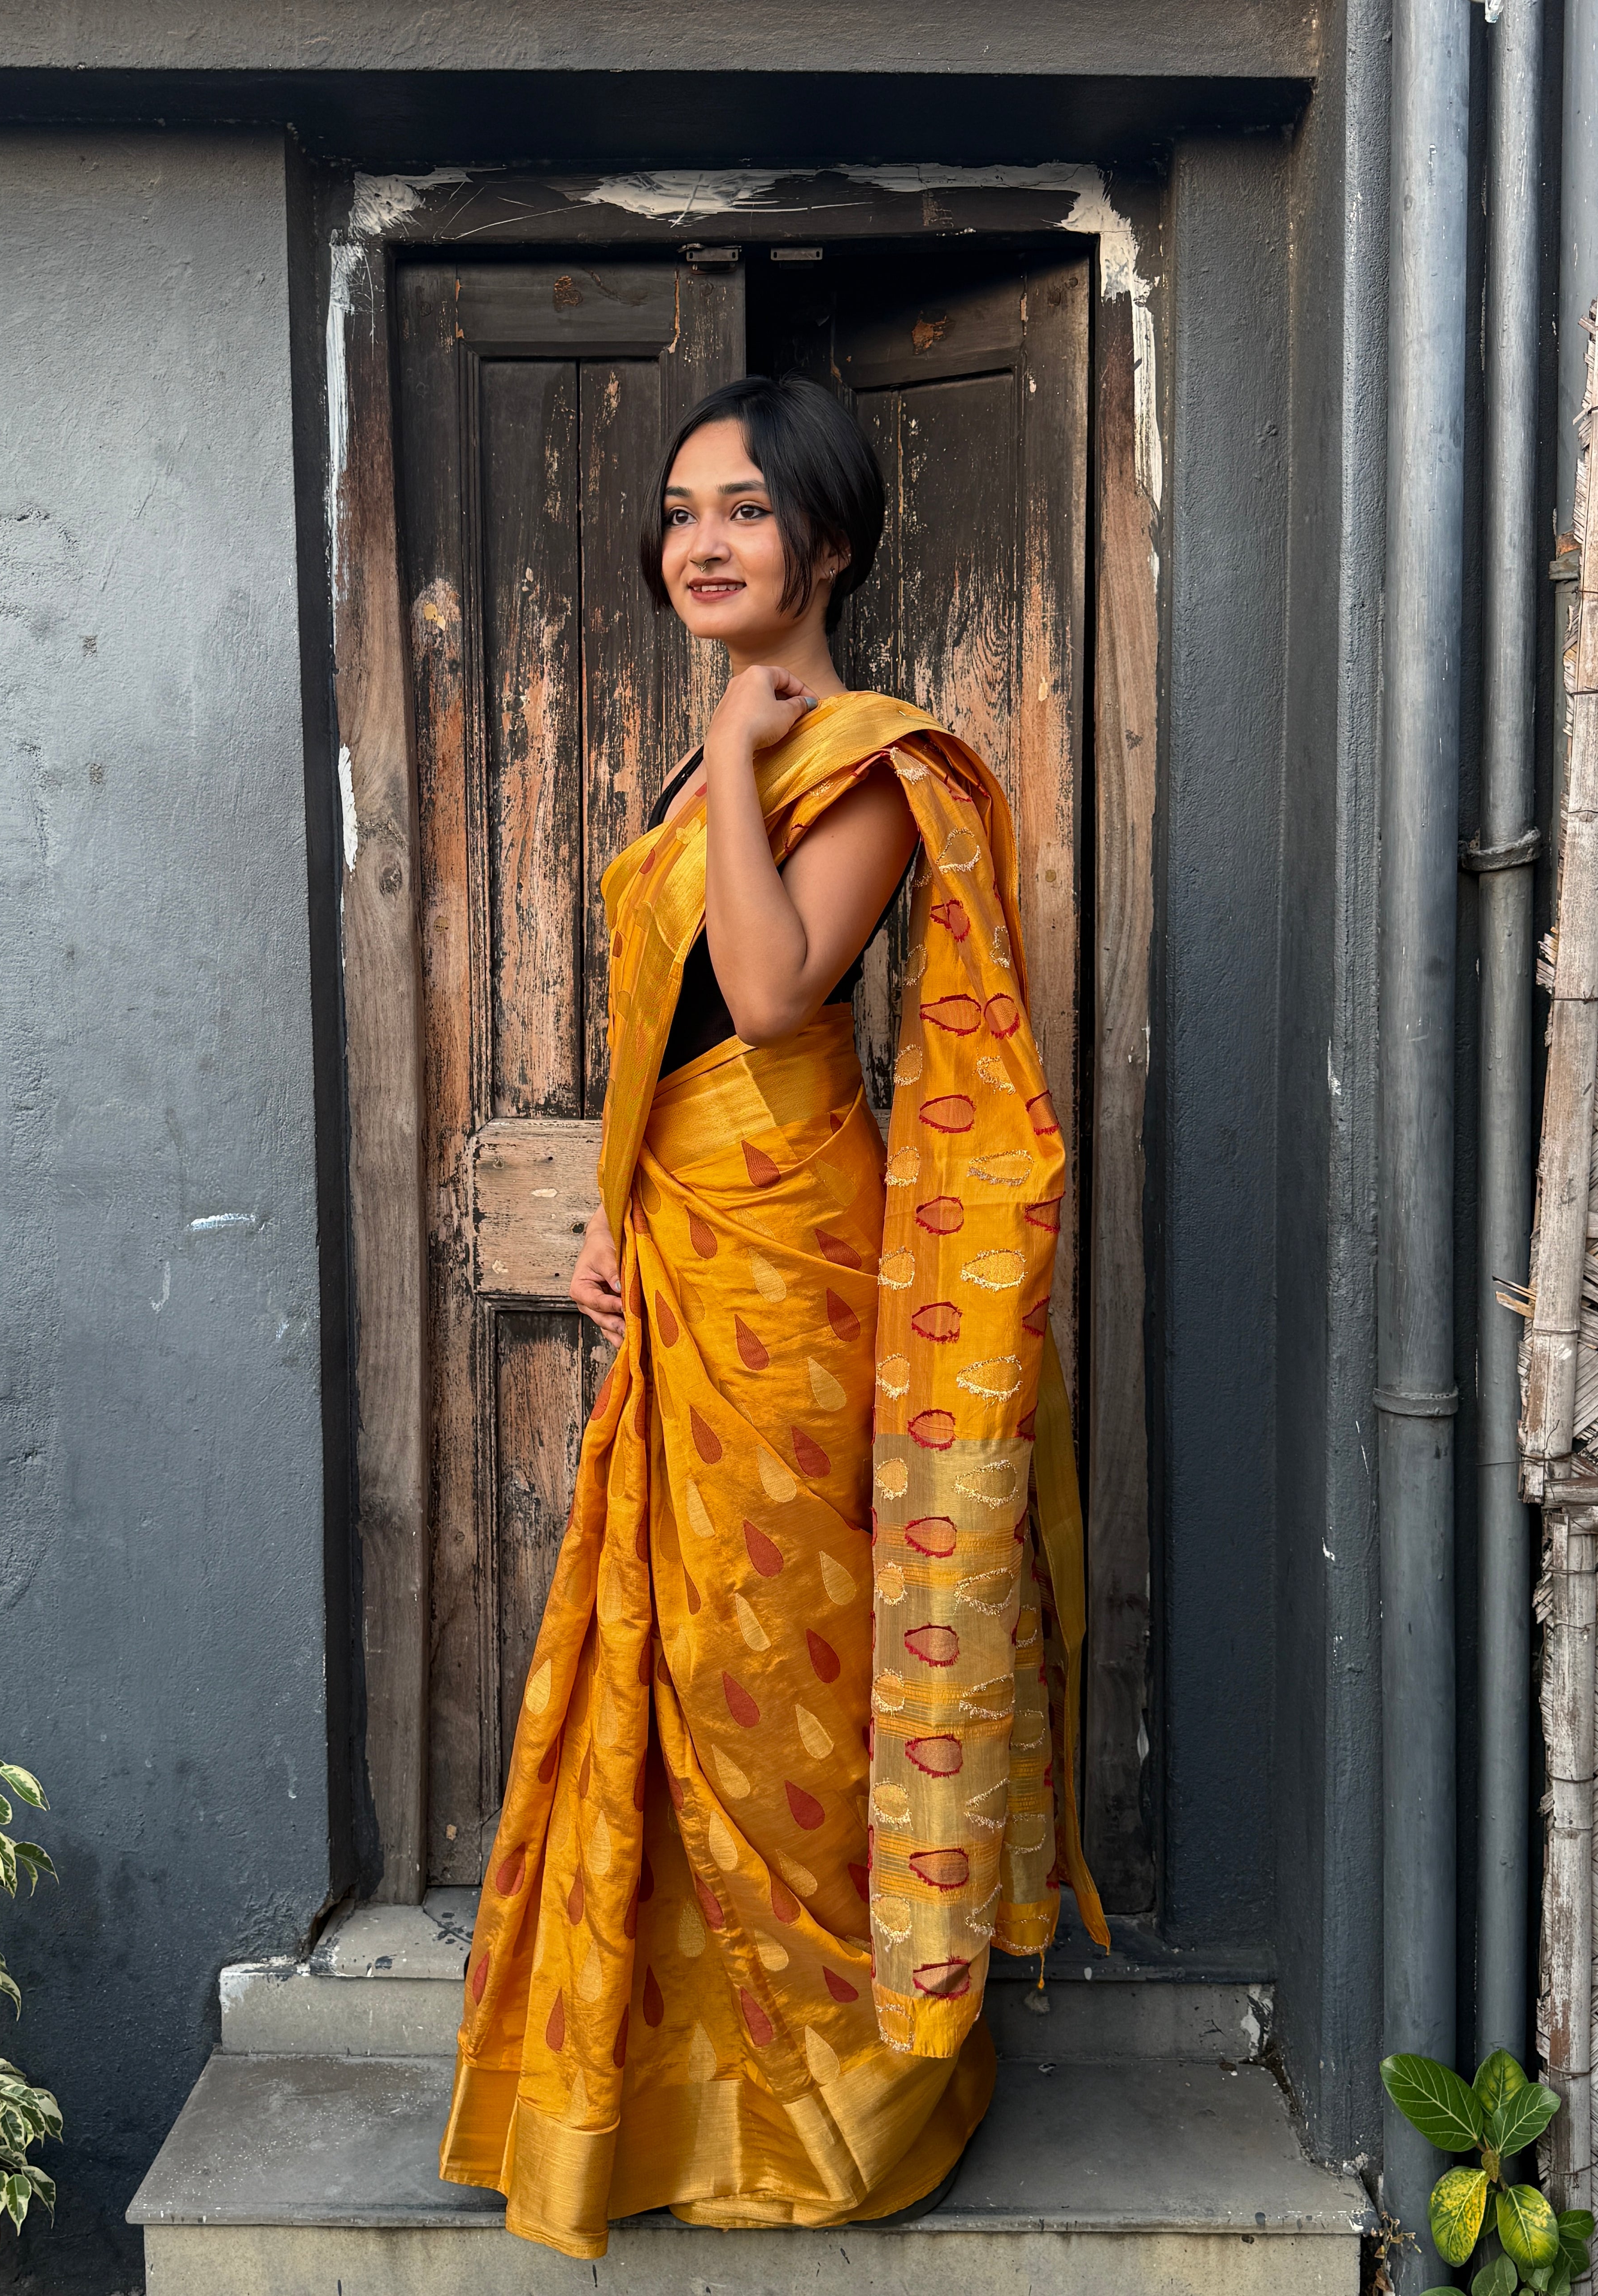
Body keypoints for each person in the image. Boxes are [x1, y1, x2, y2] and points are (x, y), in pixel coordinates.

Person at [439, 373, 1105, 2258]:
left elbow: (777, 985)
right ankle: (685, 2087)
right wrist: (606, 1204)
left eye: (740, 510)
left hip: (806, 1276)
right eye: (677, 512)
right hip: (687, 1242)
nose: (699, 543)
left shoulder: (870, 760)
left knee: (789, 1680)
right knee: (678, 1674)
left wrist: (737, 754)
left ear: (826, 540)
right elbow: (679, 1034)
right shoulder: (711, 753)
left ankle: (849, 2093)